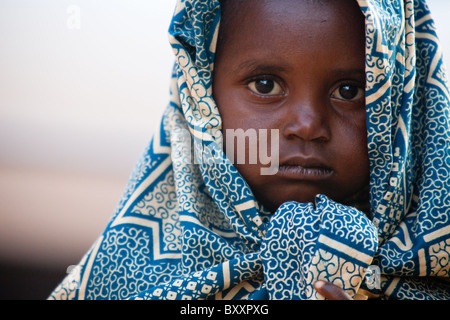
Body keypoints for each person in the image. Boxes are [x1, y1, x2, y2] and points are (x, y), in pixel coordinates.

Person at [49, 0, 450, 300]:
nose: (307, 124)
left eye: (350, 91)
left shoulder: (434, 272)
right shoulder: (132, 276)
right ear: (201, 99)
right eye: (265, 85)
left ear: (403, 104)